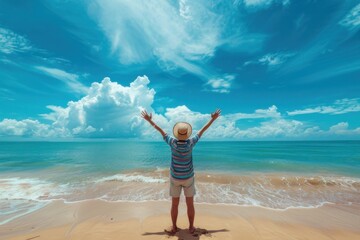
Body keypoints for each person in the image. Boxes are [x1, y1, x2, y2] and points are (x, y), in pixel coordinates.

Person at [141, 109, 221, 234]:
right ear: (187, 134)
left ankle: (174, 227)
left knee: (174, 205)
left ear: (177, 133)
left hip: (175, 178)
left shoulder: (172, 142)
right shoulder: (191, 143)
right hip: (188, 178)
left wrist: (150, 120)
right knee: (190, 204)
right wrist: (213, 119)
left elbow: (160, 130)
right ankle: (191, 227)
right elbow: (202, 130)